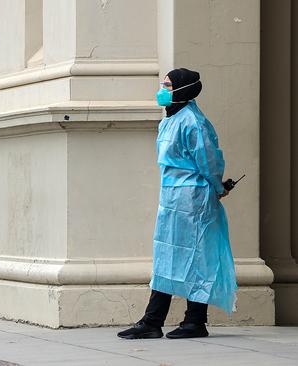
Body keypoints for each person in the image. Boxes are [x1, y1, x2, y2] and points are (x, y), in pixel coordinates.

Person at [117, 68, 238, 339]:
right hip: (171, 199)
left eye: (168, 86)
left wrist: (218, 188)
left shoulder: (193, 122)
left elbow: (209, 160)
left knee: (196, 258)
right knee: (166, 257)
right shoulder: (169, 120)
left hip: (194, 200)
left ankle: (194, 321)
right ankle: (153, 321)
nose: (162, 90)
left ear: (183, 89)